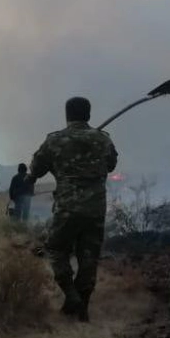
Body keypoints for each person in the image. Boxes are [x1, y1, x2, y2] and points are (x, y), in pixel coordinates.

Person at [26, 96, 118, 322]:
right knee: (89, 257)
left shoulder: (55, 140)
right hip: (96, 208)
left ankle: (71, 294)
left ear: (67, 115)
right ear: (88, 114)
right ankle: (82, 307)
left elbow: (36, 169)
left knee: (56, 249)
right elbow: (111, 165)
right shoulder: (102, 139)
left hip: (67, 207)